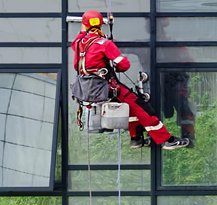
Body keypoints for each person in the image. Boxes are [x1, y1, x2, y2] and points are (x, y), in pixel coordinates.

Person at [70, 11, 188, 150]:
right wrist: (115, 66)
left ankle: (136, 138)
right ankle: (166, 140)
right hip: (107, 87)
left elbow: (79, 46)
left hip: (89, 87)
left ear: (85, 25)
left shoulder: (78, 43)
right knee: (143, 108)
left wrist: (84, 28)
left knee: (131, 108)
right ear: (101, 24)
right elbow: (124, 65)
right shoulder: (104, 44)